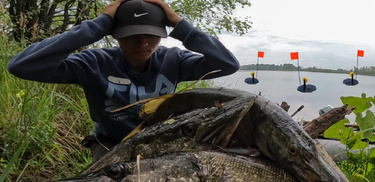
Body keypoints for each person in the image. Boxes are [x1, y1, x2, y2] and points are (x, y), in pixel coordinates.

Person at [7, 0, 239, 161]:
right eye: (132, 35)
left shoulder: (174, 60)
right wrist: (97, 25)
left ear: (162, 34)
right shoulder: (93, 63)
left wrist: (181, 25)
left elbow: (227, 64)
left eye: (150, 34)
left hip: (162, 144)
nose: (142, 43)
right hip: (110, 144)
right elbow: (21, 66)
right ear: (114, 34)